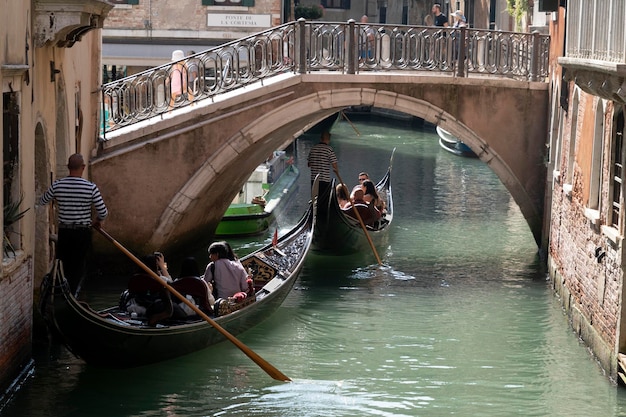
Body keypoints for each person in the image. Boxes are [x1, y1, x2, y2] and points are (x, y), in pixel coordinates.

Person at [38, 153, 108, 295]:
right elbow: (103, 212)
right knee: (78, 266)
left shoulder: (58, 185)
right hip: (82, 232)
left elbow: (42, 201)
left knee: (62, 264)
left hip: (65, 232)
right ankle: (72, 295)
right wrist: (96, 221)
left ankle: (60, 294)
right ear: (83, 167)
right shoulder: (91, 188)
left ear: (68, 167)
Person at [307, 131, 338, 209]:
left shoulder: (313, 148)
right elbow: (334, 164)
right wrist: (336, 170)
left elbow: (309, 164)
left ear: (321, 138)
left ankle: (315, 212)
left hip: (314, 179)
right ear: (328, 140)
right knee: (323, 199)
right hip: (324, 179)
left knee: (315, 199)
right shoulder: (329, 149)